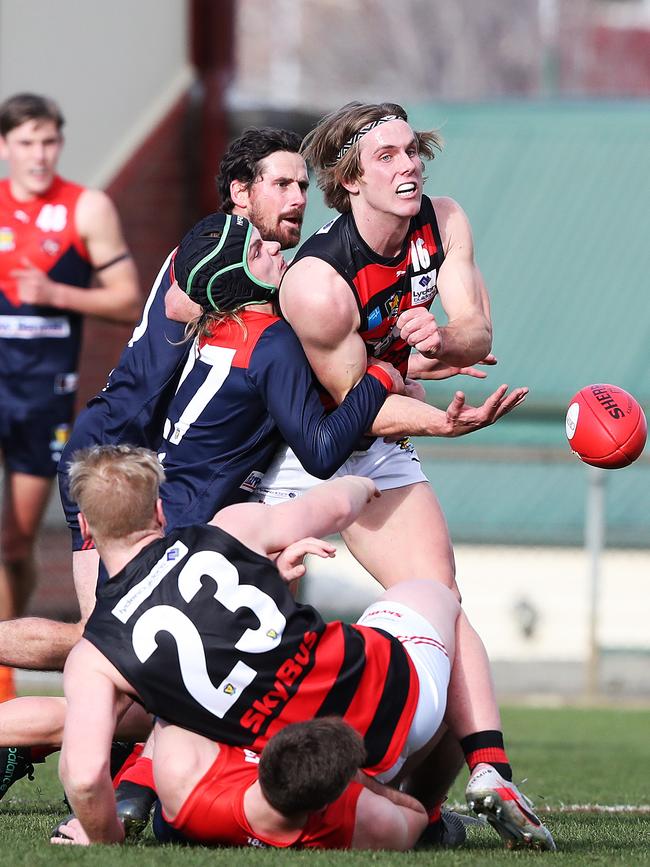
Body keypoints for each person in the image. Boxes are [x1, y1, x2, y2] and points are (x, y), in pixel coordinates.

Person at [251, 101, 550, 848]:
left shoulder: (443, 219)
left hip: (380, 431)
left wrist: (441, 335)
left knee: (442, 605)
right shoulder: (319, 278)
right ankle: (134, 778)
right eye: (385, 155)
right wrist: (445, 419)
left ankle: (471, 782)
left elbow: (478, 332)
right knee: (242, 628)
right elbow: (353, 415)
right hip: (297, 451)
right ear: (349, 179)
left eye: (412, 149)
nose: (408, 164)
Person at [52, 444, 468, 849]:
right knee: (435, 594)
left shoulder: (94, 654)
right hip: (392, 713)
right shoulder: (231, 526)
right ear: (159, 512)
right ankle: (478, 769)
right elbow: (335, 505)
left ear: (86, 528)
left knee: (175, 725)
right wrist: (361, 484)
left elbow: (85, 776)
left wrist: (102, 837)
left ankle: (145, 794)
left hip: (294, 769)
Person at [0, 93, 141, 701]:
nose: (39, 154)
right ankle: (3, 688)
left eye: (48, 142)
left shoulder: (86, 208)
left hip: (43, 395)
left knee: (14, 541)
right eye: (27, 142)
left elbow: (129, 299)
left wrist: (55, 292)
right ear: (6, 146)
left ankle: (7, 647)